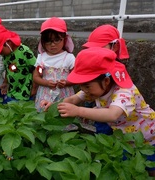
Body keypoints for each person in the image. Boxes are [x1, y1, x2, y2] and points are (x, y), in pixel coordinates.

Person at [42, 47, 155, 176]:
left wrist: (78, 111)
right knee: (128, 167)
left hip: (148, 138)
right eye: (81, 86)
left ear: (106, 81)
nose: (84, 90)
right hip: (126, 138)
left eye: (86, 86)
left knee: (150, 168)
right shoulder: (93, 87)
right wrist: (54, 106)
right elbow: (73, 99)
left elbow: (112, 114)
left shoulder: (124, 92)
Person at [81, 24, 130, 134]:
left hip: (136, 131)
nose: (95, 53)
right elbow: (82, 93)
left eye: (99, 48)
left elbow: (113, 114)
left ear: (115, 46)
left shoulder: (118, 72)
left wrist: (80, 111)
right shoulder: (98, 65)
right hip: (111, 118)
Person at [0, 24, 37, 103]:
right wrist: (5, 82)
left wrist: (34, 88)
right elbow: (7, 69)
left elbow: (36, 68)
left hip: (25, 93)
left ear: (8, 42)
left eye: (1, 51)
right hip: (11, 92)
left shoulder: (24, 51)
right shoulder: (6, 55)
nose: (0, 54)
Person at [33, 17, 76, 112]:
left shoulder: (69, 58)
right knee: (45, 114)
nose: (52, 44)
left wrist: (66, 82)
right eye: (48, 41)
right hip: (45, 94)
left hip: (64, 94)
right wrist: (46, 83)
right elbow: (36, 77)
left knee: (61, 114)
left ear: (64, 39)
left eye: (57, 40)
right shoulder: (41, 58)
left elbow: (76, 76)